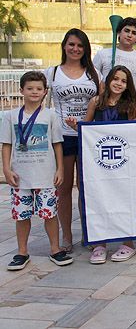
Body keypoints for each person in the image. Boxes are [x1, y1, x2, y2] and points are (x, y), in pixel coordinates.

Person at [66, 66, 136, 264]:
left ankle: (128, 242)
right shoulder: (96, 102)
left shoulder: (130, 105)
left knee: (123, 199)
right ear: (107, 80)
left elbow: (133, 134)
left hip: (121, 162)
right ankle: (100, 243)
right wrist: (75, 125)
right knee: (98, 199)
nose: (118, 83)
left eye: (123, 81)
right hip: (98, 163)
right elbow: (86, 128)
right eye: (115, 78)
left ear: (128, 85)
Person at [1, 71, 73, 270]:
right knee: (21, 215)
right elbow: (6, 144)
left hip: (46, 175)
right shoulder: (11, 116)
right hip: (20, 176)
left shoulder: (50, 115)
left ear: (45, 92)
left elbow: (57, 144)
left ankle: (55, 249)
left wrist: (60, 169)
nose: (34, 92)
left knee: (49, 214)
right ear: (21, 90)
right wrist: (6, 169)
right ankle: (22, 252)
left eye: (39, 89)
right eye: (30, 88)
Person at [45, 29, 101, 253]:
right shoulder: (52, 73)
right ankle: (67, 236)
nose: (75, 49)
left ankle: (90, 234)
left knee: (88, 188)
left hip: (88, 137)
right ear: (64, 46)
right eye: (71, 44)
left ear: (85, 48)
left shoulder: (94, 73)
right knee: (64, 188)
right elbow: (39, 103)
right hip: (62, 138)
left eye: (80, 45)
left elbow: (105, 102)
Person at [93, 16, 136, 94]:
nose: (129, 35)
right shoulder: (103, 54)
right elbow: (92, 78)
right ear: (118, 32)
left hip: (131, 105)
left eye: (134, 33)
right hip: (106, 104)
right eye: (127, 31)